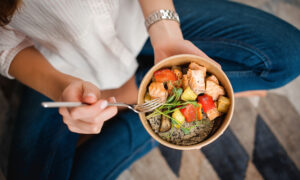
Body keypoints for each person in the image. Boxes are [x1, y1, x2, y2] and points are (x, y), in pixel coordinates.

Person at [0, 0, 299, 179]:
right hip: (61, 64)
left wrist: (167, 35)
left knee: (289, 55)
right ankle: (147, 112)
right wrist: (60, 86)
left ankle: (142, 104)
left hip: (145, 20)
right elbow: (5, 47)